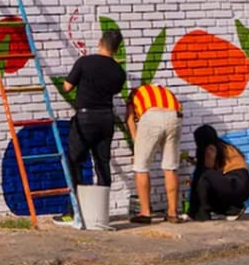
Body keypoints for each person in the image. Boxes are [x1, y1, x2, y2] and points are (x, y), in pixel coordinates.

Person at [55, 29, 127, 223]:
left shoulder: (85, 62)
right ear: (117, 48)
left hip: (86, 117)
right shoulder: (119, 72)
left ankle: (73, 210)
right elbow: (115, 89)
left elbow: (67, 87)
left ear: (99, 42)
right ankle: (100, 215)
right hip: (106, 118)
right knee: (102, 163)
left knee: (74, 161)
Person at [125, 84, 184, 224]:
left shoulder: (135, 93)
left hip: (151, 115)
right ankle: (173, 213)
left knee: (141, 167)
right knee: (170, 167)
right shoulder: (166, 91)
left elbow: (129, 119)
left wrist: (137, 143)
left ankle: (145, 213)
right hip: (175, 116)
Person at [189, 125, 249, 221]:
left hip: (235, 182)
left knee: (203, 177)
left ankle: (202, 213)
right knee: (207, 184)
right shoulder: (224, 146)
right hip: (243, 185)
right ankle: (233, 209)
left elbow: (205, 171)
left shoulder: (211, 148)